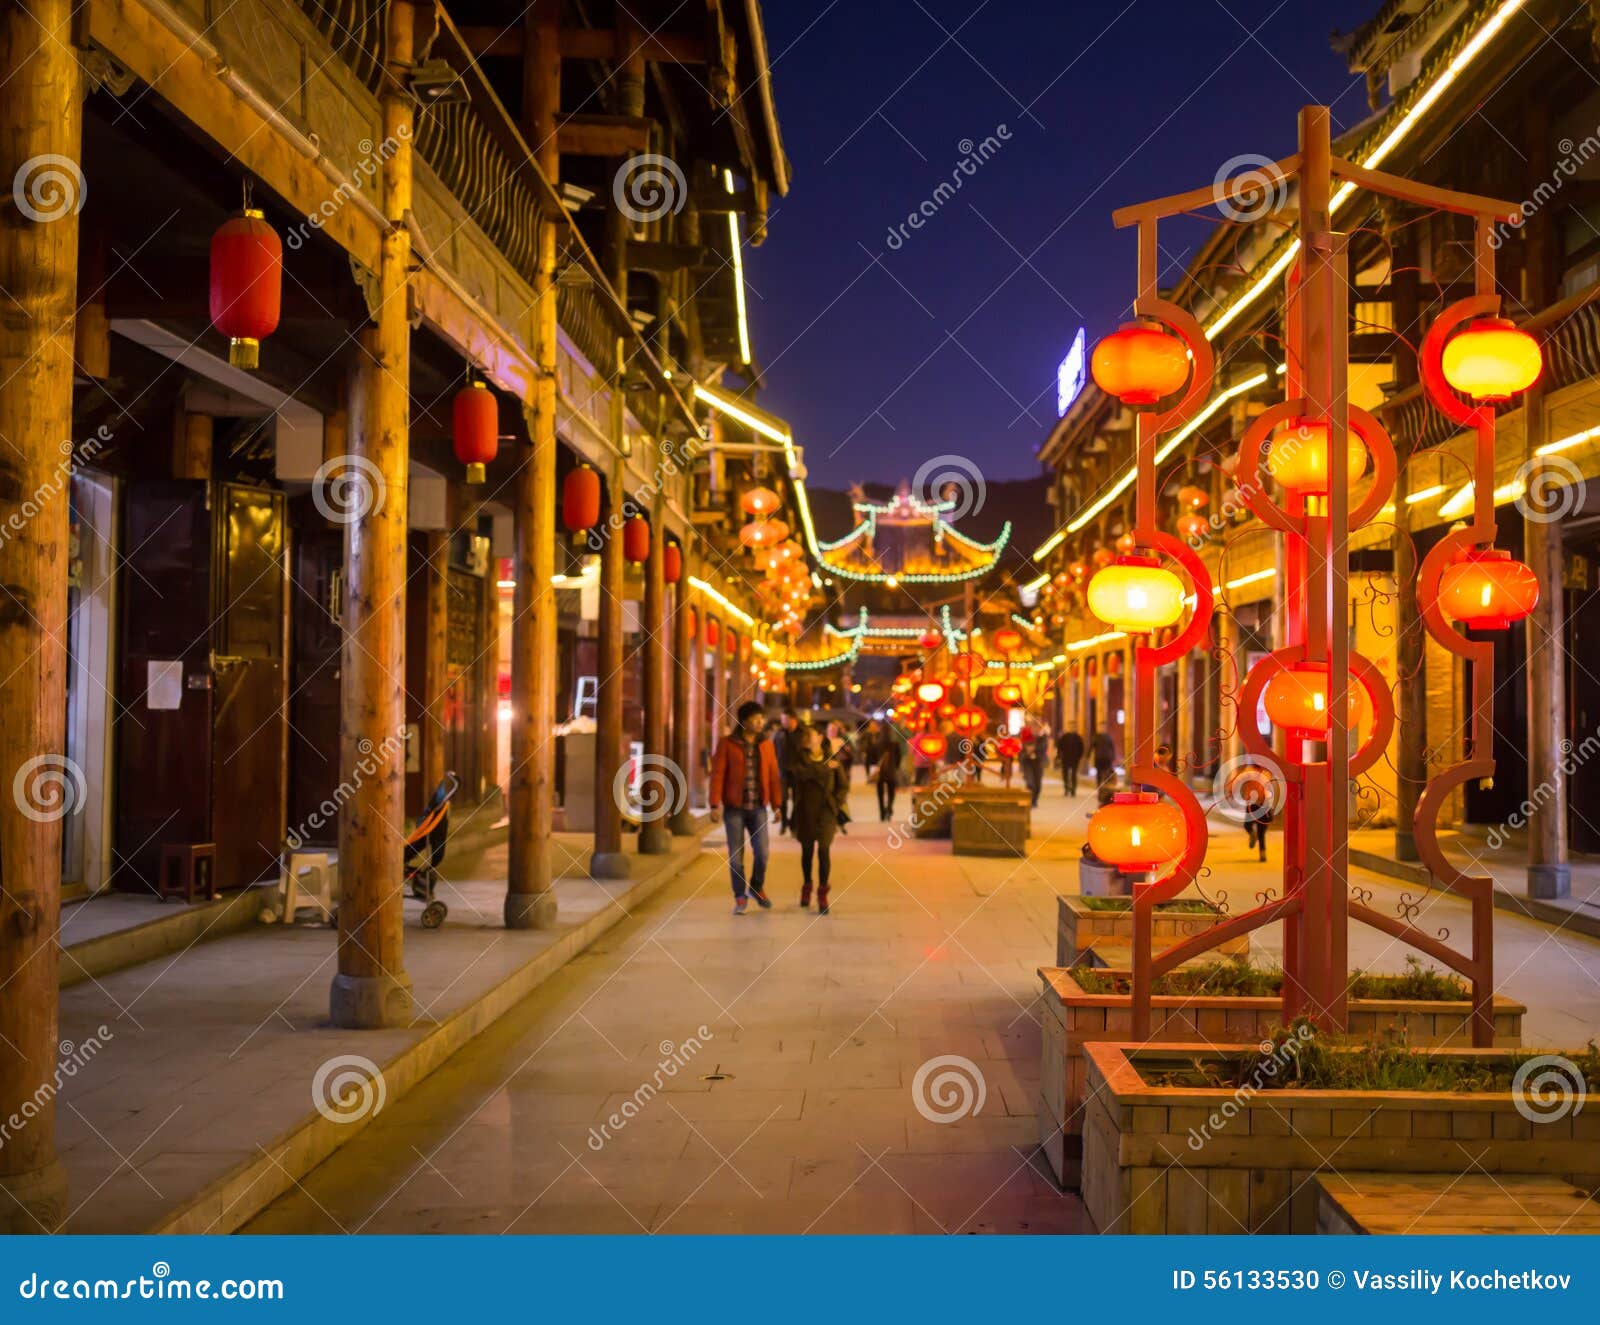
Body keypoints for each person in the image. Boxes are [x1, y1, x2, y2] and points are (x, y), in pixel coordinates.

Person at [709, 700, 781, 914]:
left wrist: (777, 805)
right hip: (734, 808)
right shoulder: (727, 744)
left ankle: (756, 887)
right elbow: (718, 775)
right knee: (736, 856)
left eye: (762, 718)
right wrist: (714, 804)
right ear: (744, 722)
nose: (761, 722)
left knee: (763, 853)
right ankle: (740, 896)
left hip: (758, 807)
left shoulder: (766, 744)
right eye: (756, 719)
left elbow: (773, 776)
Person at [789, 724, 848, 914]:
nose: (807, 738)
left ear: (821, 737)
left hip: (826, 812)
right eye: (805, 735)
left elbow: (843, 785)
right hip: (805, 811)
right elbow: (802, 775)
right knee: (807, 851)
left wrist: (836, 802)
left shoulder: (833, 759)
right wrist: (824, 769)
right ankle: (807, 886)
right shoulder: (799, 759)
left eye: (811, 734)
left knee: (824, 850)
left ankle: (823, 892)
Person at [769, 711, 798, 835]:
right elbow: (772, 752)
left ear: (793, 720)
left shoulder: (802, 734)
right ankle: (784, 823)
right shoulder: (779, 734)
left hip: (798, 773)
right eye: (782, 720)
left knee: (798, 800)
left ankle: (794, 825)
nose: (783, 722)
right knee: (783, 799)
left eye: (785, 719)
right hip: (782, 772)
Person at [873, 724, 901, 822]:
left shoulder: (877, 744)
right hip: (891, 772)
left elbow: (872, 759)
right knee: (891, 792)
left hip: (880, 773)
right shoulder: (895, 744)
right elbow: (898, 758)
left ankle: (882, 813)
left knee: (880, 794)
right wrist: (895, 767)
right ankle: (889, 807)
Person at [1243, 781, 1272, 861]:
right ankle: (1263, 854)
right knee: (1261, 832)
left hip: (1252, 804)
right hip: (1264, 804)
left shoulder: (1249, 771)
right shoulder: (1266, 773)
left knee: (1247, 825)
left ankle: (1252, 833)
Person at [1019, 728, 1044, 808]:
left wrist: (1035, 753)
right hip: (1028, 766)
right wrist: (1027, 753)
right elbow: (1021, 757)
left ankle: (1034, 800)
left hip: (1038, 766)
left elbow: (1043, 753)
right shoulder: (1023, 744)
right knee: (1030, 784)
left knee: (1038, 786)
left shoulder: (1039, 741)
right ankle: (1030, 801)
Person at [1056, 727, 1084, 795]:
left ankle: (1073, 790)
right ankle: (1066, 788)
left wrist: (1079, 757)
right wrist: (1059, 756)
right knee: (1065, 774)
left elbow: (1081, 748)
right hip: (1065, 759)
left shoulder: (1078, 737)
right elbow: (1059, 746)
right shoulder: (1064, 737)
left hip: (1075, 759)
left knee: (1073, 774)